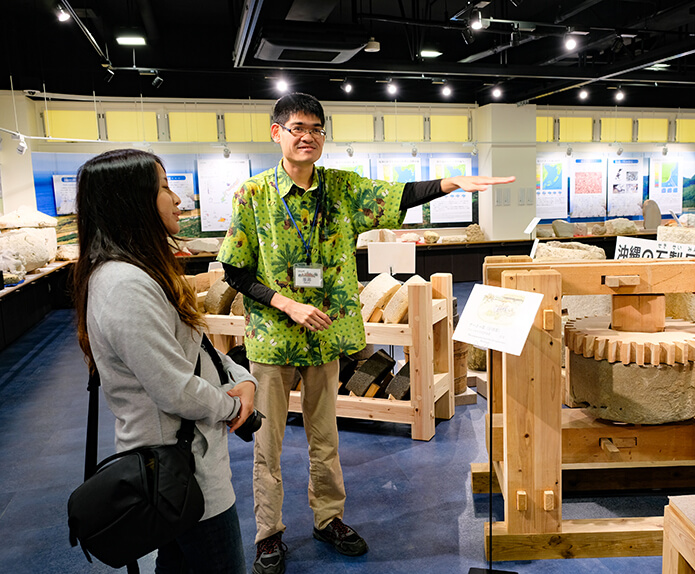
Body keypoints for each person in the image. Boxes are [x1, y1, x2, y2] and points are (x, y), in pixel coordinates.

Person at [217, 92, 515, 574]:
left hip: (326, 337)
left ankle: (328, 518)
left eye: (316, 128)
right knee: (267, 443)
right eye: (297, 128)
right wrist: (287, 303)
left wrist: (450, 182)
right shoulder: (254, 195)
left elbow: (396, 196)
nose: (308, 136)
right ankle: (268, 533)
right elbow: (234, 269)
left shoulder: (340, 188)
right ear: (277, 133)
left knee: (325, 438)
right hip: (274, 337)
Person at [72, 149, 257, 574]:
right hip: (178, 471)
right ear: (131, 202)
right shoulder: (124, 285)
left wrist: (242, 378)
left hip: (187, 463)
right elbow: (173, 387)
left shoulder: (144, 273)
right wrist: (232, 406)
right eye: (164, 188)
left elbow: (197, 349)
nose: (177, 199)